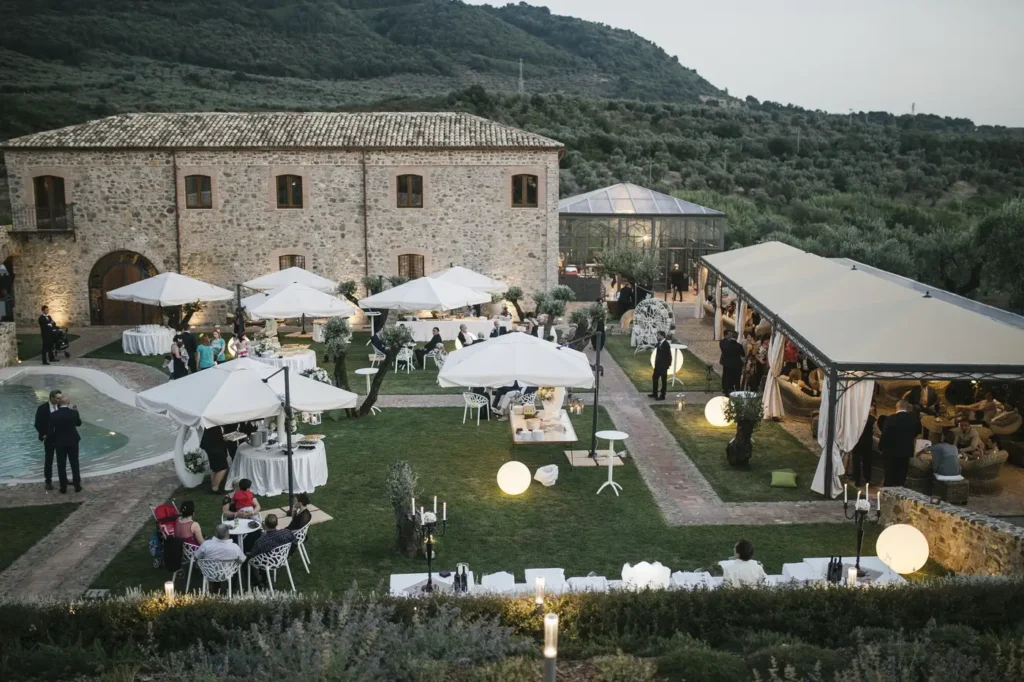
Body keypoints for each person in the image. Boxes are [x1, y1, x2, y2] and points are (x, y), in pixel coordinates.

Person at [878, 400, 921, 486]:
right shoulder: (914, 420)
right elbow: (917, 432)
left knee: (889, 476)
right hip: (905, 452)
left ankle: (887, 494)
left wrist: (880, 446)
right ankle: (899, 493)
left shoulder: (890, 419)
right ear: (906, 408)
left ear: (896, 408)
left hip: (890, 452)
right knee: (901, 476)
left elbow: (885, 435)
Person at [49, 395, 82, 493]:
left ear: (59, 403)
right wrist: (76, 411)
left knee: (61, 465)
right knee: (74, 463)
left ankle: (63, 487)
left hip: (60, 442)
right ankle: (77, 485)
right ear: (68, 403)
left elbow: (50, 430)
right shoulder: (74, 413)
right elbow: (78, 424)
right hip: (73, 441)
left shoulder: (54, 415)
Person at [34, 389, 62, 490]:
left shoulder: (60, 406)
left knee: (61, 459)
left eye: (60, 398)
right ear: (51, 398)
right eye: (57, 398)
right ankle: (48, 481)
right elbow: (37, 423)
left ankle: (63, 479)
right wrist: (43, 434)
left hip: (60, 437)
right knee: (49, 459)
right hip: (49, 438)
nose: (60, 400)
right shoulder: (42, 408)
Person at [851, 404, 877, 487]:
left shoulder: (857, 418)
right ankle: (867, 479)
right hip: (868, 442)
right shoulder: (872, 419)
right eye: (871, 406)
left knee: (856, 461)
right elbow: (877, 431)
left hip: (857, 441)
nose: (873, 408)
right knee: (867, 461)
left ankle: (857, 480)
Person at [201, 425, 230, 494]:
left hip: (211, 447)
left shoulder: (212, 424)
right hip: (215, 448)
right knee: (223, 467)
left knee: (214, 467)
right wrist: (224, 438)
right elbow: (216, 438)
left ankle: (213, 486)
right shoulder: (214, 425)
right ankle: (215, 488)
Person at [719, 330, 745, 395]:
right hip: (736, 365)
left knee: (727, 377)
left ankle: (726, 391)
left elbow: (724, 352)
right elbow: (743, 355)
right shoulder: (739, 346)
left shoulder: (726, 345)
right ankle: (737, 391)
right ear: (737, 337)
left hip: (727, 364)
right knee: (737, 379)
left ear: (731, 336)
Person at [650, 330, 671, 401]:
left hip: (663, 367)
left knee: (663, 381)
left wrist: (667, 366)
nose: (657, 337)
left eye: (658, 335)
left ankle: (662, 395)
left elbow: (669, 356)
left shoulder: (666, 345)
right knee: (654, 378)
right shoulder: (659, 343)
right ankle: (654, 393)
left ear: (662, 336)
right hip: (657, 366)